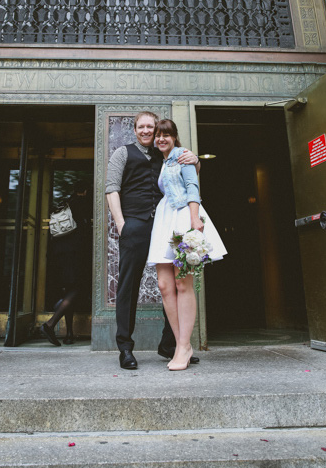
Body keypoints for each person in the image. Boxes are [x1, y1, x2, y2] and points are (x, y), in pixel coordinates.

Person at [106, 111, 200, 370]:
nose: (147, 131)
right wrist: (122, 224)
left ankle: (172, 345)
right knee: (128, 285)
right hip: (134, 225)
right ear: (134, 130)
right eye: (142, 127)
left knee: (171, 284)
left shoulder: (167, 153)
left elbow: (187, 174)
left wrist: (196, 159)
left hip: (165, 225)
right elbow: (111, 188)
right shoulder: (122, 153)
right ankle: (125, 348)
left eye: (151, 127)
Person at [147, 119, 227, 370]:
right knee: (164, 285)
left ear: (174, 137)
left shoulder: (183, 155)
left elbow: (192, 186)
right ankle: (181, 344)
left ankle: (183, 346)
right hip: (164, 217)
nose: (161, 139)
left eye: (166, 135)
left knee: (183, 282)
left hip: (183, 214)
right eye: (158, 135)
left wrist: (194, 219)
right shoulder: (160, 159)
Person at [40, 180, 92, 346]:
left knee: (69, 291)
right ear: (85, 191)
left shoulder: (65, 204)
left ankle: (69, 334)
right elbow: (85, 232)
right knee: (78, 288)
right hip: (76, 255)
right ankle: (50, 324)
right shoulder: (84, 204)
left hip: (60, 255)